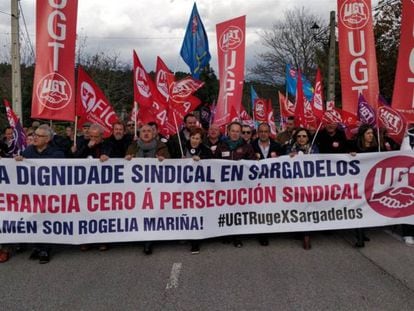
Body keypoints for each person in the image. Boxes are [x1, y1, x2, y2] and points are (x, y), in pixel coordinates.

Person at [14, 124, 65, 263]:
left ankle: (46, 249)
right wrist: (18, 161)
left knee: (47, 219)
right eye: (34, 135)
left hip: (49, 194)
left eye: (39, 136)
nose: (34, 137)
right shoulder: (28, 152)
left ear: (48, 139)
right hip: (33, 194)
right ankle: (37, 246)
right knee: (34, 218)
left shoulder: (57, 153)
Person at [125, 124, 170, 255]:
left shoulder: (161, 146)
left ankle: (148, 241)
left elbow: (170, 163)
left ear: (154, 133)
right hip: (137, 189)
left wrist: (164, 160)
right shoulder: (133, 147)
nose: (146, 133)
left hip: (155, 188)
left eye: (149, 131)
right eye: (143, 131)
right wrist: (127, 159)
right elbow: (124, 166)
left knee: (151, 212)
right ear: (139, 134)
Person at [215, 121, 256, 247]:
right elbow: (214, 163)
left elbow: (252, 162)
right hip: (224, 185)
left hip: (240, 185)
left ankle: (237, 236)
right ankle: (226, 233)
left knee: (237, 211)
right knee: (226, 209)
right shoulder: (221, 146)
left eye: (238, 131)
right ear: (228, 131)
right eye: (233, 131)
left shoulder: (246, 146)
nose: (235, 133)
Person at [286, 127, 318, 250]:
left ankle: (306, 235)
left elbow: (320, 160)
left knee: (307, 207)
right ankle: (298, 231)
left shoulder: (313, 148)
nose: (301, 138)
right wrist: (289, 157)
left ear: (308, 138)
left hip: (310, 183)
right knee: (297, 208)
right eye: (299, 136)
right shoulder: (290, 148)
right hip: (294, 184)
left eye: (304, 136)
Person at [181, 128, 212, 254]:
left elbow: (212, 164)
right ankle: (184, 235)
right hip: (182, 188)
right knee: (184, 213)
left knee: (196, 214)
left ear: (201, 140)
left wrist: (202, 160)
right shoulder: (181, 147)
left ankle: (195, 241)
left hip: (199, 189)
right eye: (193, 137)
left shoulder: (206, 150)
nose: (194, 140)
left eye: (197, 138)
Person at [351, 124, 378, 247]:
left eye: (372, 133)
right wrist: (350, 155)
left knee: (366, 207)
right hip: (356, 183)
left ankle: (363, 233)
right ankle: (359, 237)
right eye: (368, 133)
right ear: (362, 135)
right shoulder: (353, 147)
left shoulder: (376, 148)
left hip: (370, 182)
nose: (371, 135)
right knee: (358, 207)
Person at [399, 124, 414, 246]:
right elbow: (404, 155)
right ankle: (408, 233)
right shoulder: (407, 135)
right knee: (408, 204)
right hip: (408, 176)